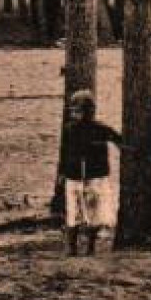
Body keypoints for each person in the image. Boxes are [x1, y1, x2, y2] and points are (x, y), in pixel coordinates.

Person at [60, 90, 122, 256]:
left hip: (95, 177)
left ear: (88, 111)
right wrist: (62, 172)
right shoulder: (69, 130)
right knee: (72, 212)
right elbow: (64, 152)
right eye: (73, 111)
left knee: (93, 212)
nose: (75, 115)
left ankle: (90, 247)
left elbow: (120, 141)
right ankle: (72, 247)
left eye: (78, 111)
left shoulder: (100, 129)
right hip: (73, 176)